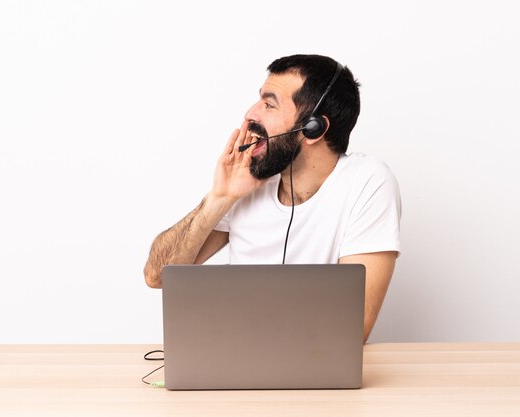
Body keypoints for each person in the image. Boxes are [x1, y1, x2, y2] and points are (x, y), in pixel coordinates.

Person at [143, 54, 401, 342]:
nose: (250, 114)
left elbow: (353, 326)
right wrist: (220, 196)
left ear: (313, 128)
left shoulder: (366, 182)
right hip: (233, 356)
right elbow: (157, 276)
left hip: (315, 366)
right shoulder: (247, 182)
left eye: (269, 104)